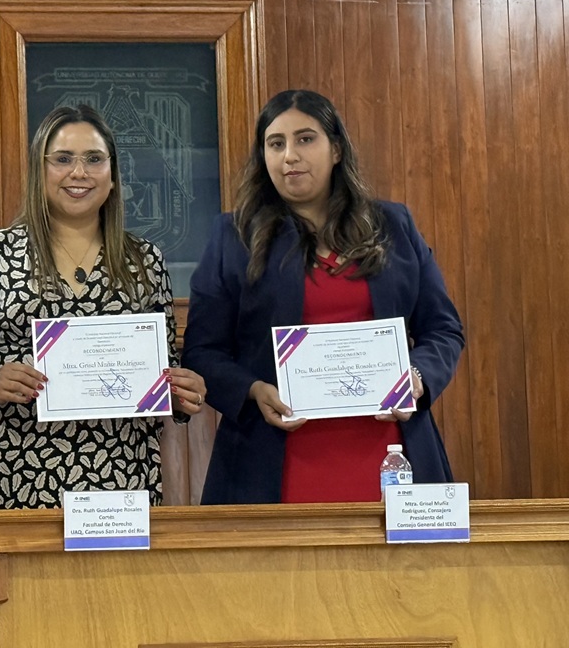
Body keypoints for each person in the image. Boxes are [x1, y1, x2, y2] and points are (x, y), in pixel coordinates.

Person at [182, 89, 464, 504]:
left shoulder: (393, 225)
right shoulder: (233, 237)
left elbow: (443, 328)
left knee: (405, 572)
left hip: (389, 451)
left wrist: (418, 379)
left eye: (305, 139)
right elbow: (203, 351)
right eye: (275, 144)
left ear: (335, 149)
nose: (289, 156)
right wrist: (254, 389)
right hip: (273, 459)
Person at [0, 104, 206, 509]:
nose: (78, 172)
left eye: (94, 159)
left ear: (114, 175)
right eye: (63, 159)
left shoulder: (144, 260)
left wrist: (182, 393)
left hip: (123, 474)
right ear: (40, 171)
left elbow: (162, 367)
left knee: (120, 576)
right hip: (21, 470)